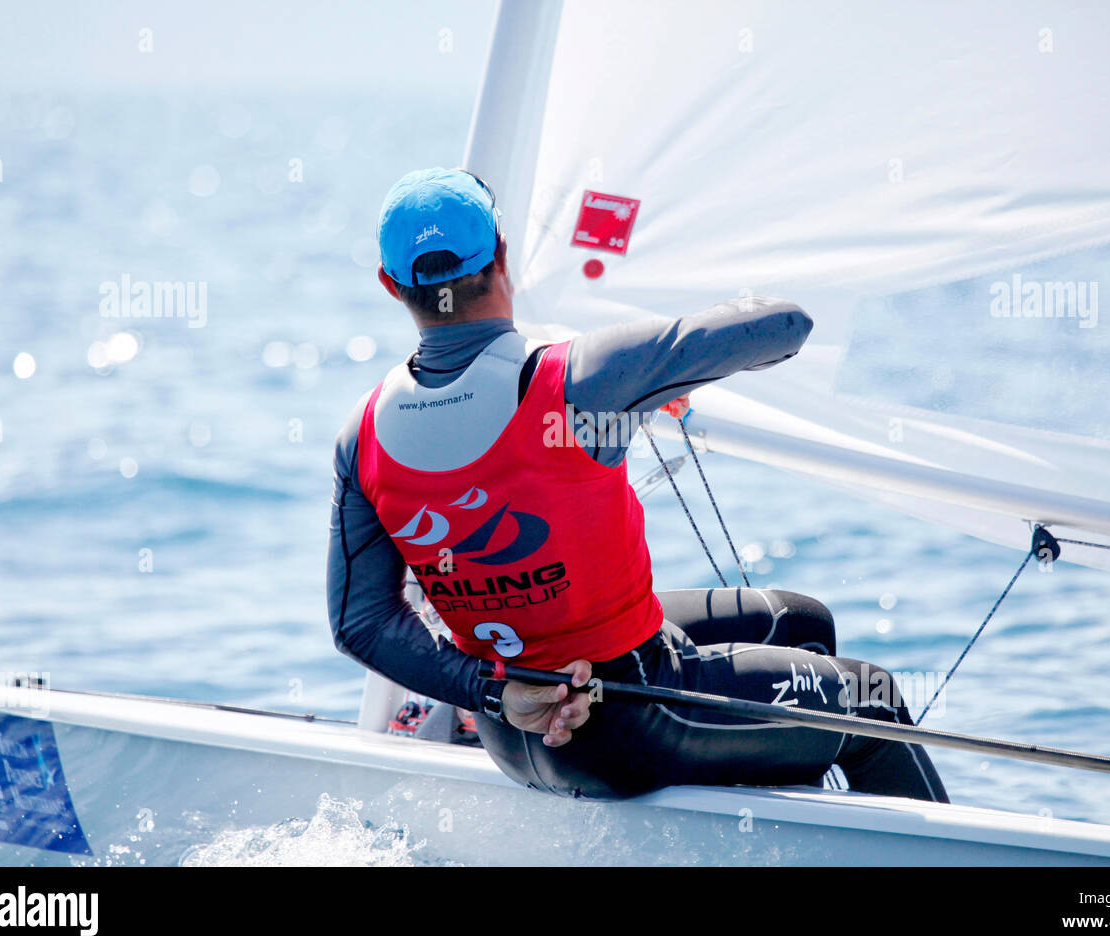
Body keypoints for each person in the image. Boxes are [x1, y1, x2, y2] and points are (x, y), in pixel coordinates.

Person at [327, 167, 947, 803]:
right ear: (504, 253)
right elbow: (787, 326)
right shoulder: (580, 375)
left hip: (509, 726)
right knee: (873, 700)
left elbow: (360, 623)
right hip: (630, 720)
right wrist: (652, 369)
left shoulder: (364, 431)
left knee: (800, 622)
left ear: (389, 284)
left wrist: (497, 690)